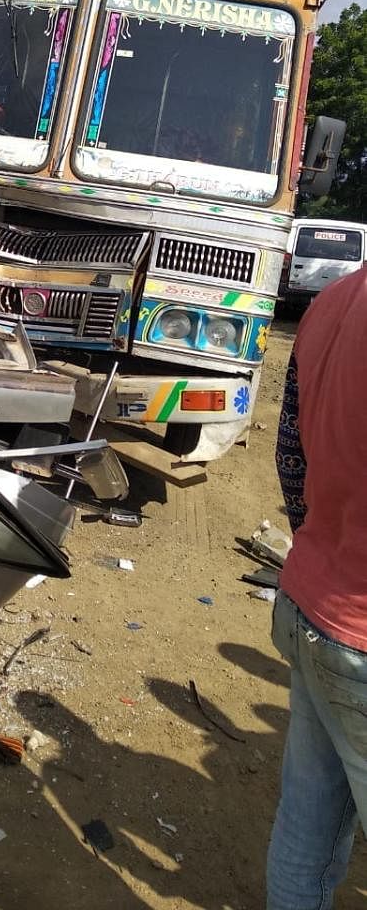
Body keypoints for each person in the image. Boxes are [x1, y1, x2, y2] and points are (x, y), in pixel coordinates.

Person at [268, 265, 367, 908]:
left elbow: (290, 457)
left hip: (315, 603)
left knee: (307, 828)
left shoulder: (337, 299)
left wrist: (323, 548)